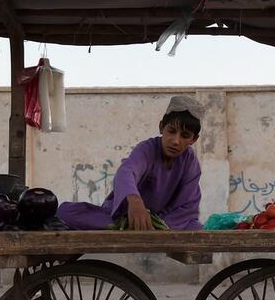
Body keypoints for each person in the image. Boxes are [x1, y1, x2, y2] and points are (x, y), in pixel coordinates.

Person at [57, 95, 204, 230]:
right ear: (161, 127)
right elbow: (126, 172)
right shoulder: (147, 149)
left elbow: (187, 206)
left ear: (194, 140)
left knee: (197, 229)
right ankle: (133, 227)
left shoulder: (190, 163)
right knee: (65, 212)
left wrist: (159, 226)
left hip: (165, 223)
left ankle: (144, 229)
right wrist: (135, 201)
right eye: (171, 131)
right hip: (124, 216)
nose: (176, 141)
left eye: (185, 136)